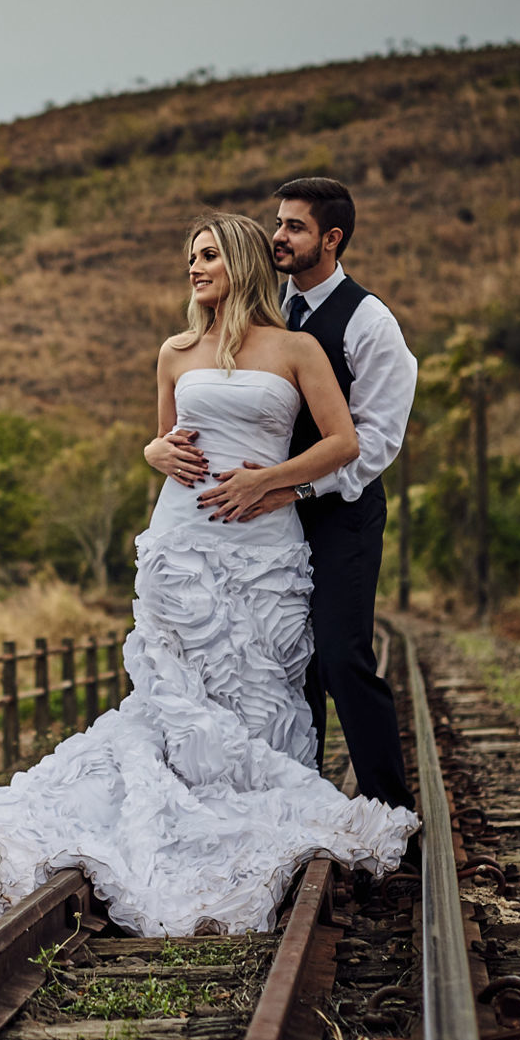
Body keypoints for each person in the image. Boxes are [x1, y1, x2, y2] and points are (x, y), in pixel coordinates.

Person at [0, 213, 417, 936]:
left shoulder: (297, 348)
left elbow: (345, 442)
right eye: (191, 256)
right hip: (183, 539)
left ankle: (258, 812)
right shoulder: (174, 350)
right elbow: (161, 439)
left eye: (210, 254)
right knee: (179, 689)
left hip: (264, 541)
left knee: (262, 684)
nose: (195, 267)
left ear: (244, 262)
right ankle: (176, 810)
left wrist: (272, 481)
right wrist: (154, 453)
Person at [186, 177, 417, 813]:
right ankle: (301, 804)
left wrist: (292, 485)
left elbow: (376, 442)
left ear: (331, 239)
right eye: (277, 223)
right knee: (286, 663)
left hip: (339, 511)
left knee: (342, 656)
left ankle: (390, 808)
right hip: (259, 519)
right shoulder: (262, 310)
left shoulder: (371, 323)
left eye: (294, 227)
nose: (277, 236)